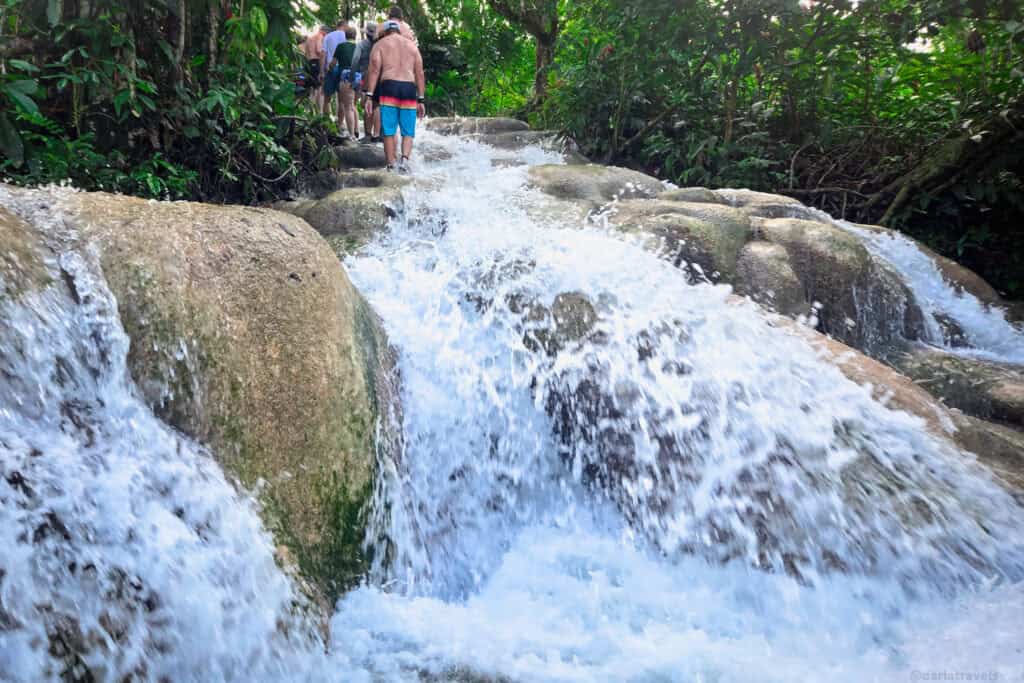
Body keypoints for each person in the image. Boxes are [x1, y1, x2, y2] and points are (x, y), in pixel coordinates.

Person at [364, 20, 425, 171]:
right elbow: (420, 73)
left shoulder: (380, 44)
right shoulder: (412, 46)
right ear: (399, 31)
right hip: (409, 88)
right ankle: (404, 161)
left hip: (389, 87)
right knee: (408, 129)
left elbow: (374, 71)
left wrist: (369, 95)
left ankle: (391, 164)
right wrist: (421, 99)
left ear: (384, 32)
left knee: (389, 129)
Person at [328, 25, 359, 138]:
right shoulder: (358, 47)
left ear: (345, 35)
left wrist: (330, 69)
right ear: (355, 36)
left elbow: (333, 63)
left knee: (347, 106)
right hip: (359, 78)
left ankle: (351, 135)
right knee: (352, 105)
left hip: (346, 77)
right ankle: (354, 130)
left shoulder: (341, 46)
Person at [352, 22, 380, 143]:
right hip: (380, 77)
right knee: (378, 105)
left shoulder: (361, 45)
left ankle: (368, 134)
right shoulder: (381, 45)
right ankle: (377, 134)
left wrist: (352, 75)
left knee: (366, 105)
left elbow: (355, 60)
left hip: (366, 79)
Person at [321, 20, 348, 116]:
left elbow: (323, 54)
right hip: (343, 69)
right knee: (341, 100)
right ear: (344, 26)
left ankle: (327, 123)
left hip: (330, 68)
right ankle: (339, 125)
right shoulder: (346, 37)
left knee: (327, 98)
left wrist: (322, 71)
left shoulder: (328, 36)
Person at [300, 27, 327, 110]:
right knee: (318, 89)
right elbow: (318, 49)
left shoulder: (309, 38)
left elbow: (304, 52)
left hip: (308, 64)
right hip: (316, 62)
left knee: (311, 89)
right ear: (323, 31)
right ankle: (317, 112)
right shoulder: (319, 36)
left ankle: (308, 110)